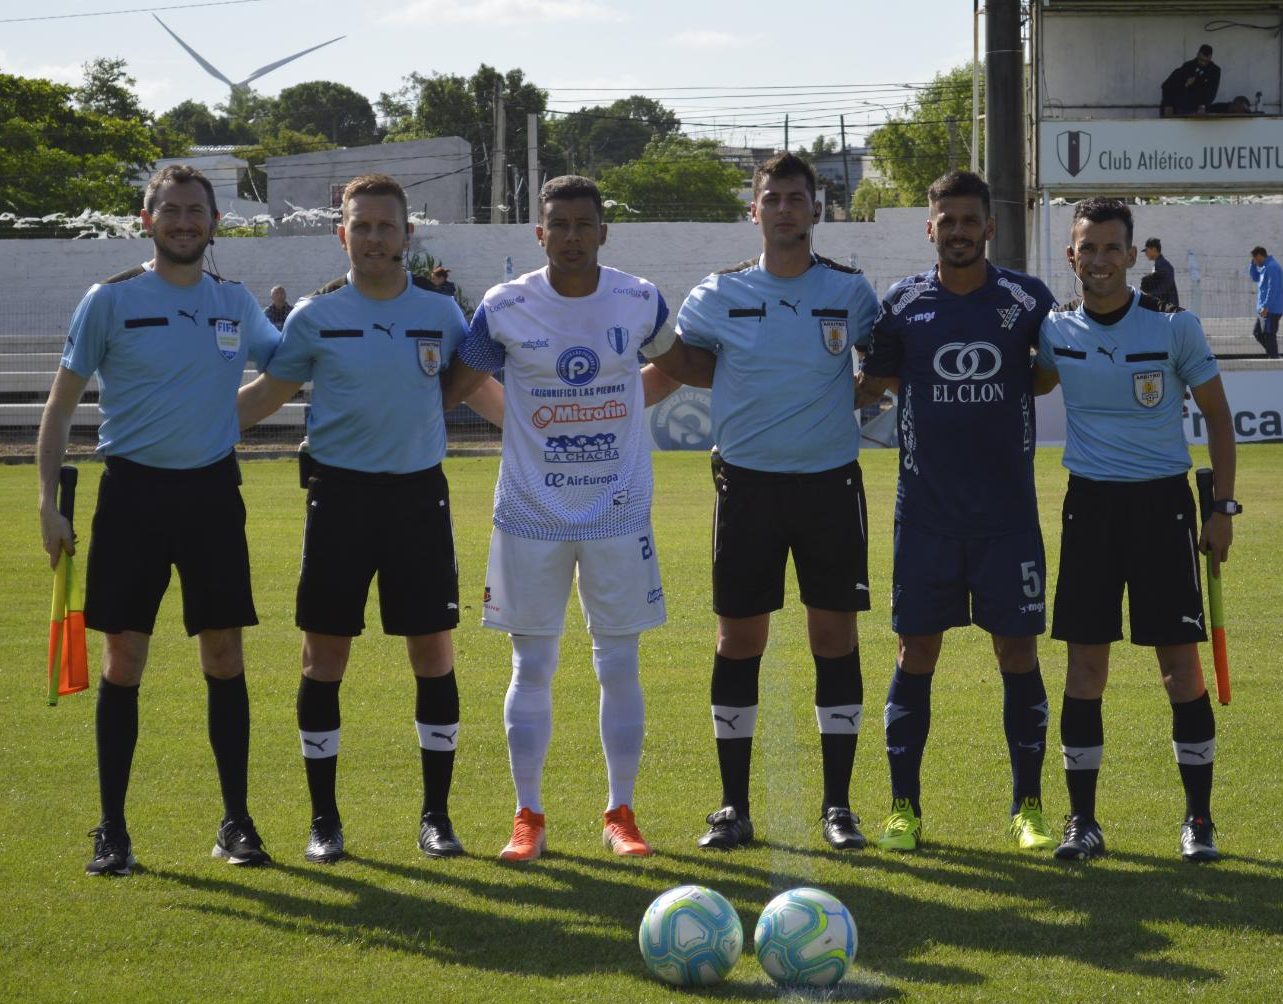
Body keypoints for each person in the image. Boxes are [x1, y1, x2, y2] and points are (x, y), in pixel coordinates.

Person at [36, 164, 280, 876]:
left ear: (213, 222)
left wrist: (225, 418)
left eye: (194, 211)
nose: (182, 222)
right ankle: (111, 830)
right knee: (124, 660)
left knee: (224, 656)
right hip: (132, 497)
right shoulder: (108, 300)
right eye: (168, 210)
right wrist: (45, 502)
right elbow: (59, 406)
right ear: (147, 220)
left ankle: (236, 822)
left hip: (210, 495)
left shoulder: (235, 301)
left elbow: (290, 368)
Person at [442, 175, 683, 862]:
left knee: (618, 661)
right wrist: (522, 419)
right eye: (558, 224)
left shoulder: (638, 299)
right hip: (528, 512)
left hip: (616, 509)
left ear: (603, 231)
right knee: (533, 662)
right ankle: (528, 817)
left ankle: (621, 812)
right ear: (538, 232)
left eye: (584, 223)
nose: (571, 235)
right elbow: (457, 388)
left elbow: (677, 367)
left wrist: (617, 413)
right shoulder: (505, 305)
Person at [237, 174, 470, 864]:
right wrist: (181, 427)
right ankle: (324, 821)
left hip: (416, 499)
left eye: (385, 226)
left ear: (407, 235)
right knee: (324, 657)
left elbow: (469, 382)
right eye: (359, 225)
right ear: (342, 234)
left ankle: (436, 817)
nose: (373, 237)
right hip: (338, 500)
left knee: (433, 654)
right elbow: (263, 398)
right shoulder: (314, 316)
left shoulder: (442, 313)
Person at [652, 152, 880, 852]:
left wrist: (843, 406)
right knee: (738, 640)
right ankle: (731, 807)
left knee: (832, 639)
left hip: (829, 486)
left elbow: (880, 364)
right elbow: (682, 362)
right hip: (746, 489)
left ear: (817, 209)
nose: (784, 208)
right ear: (754, 211)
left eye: (796, 197)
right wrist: (602, 411)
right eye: (771, 198)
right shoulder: (717, 293)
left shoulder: (851, 292)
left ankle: (837, 808)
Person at [857, 170, 1059, 853]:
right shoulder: (901, 302)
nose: (959, 232)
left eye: (969, 221)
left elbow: (1049, 371)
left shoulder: (1026, 299)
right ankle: (902, 809)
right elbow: (874, 389)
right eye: (947, 222)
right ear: (930, 228)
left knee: (1016, 651)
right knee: (916, 651)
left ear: (988, 227)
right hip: (926, 515)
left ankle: (1027, 806)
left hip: (1007, 514)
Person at [1033, 197, 1236, 863]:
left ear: (1130, 255)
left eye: (1110, 248)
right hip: (1088, 509)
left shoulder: (1174, 329)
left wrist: (1220, 509)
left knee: (1178, 667)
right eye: (1086, 248)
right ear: (1071, 256)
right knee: (1085, 666)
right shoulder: (1053, 333)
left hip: (1161, 509)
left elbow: (1218, 418)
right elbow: (1024, 381)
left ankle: (1198, 821)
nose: (1097, 260)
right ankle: (1082, 822)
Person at [1161, 44, 1220, 116]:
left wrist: (1204, 105)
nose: (1203, 63)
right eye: (1201, 60)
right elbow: (1169, 86)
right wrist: (1186, 84)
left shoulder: (1214, 70)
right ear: (1198, 55)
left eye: (1206, 61)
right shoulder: (1187, 66)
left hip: (1200, 108)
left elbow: (1212, 91)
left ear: (1211, 58)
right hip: (1183, 106)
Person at [1249, 245, 1281, 359]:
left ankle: (1274, 359)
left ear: (1259, 256)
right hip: (1264, 309)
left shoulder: (1272, 267)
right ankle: (1273, 355)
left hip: (1272, 309)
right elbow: (1255, 278)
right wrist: (1252, 265)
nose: (1255, 262)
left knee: (1269, 334)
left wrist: (1267, 306)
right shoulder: (1265, 267)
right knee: (1258, 333)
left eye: (1254, 259)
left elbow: (1274, 288)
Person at [1141, 238, 1179, 309]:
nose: (1146, 254)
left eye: (1147, 250)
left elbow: (1168, 282)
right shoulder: (1158, 263)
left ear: (1154, 249)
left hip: (1168, 305)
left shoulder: (1163, 264)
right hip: (1164, 305)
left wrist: (1152, 294)